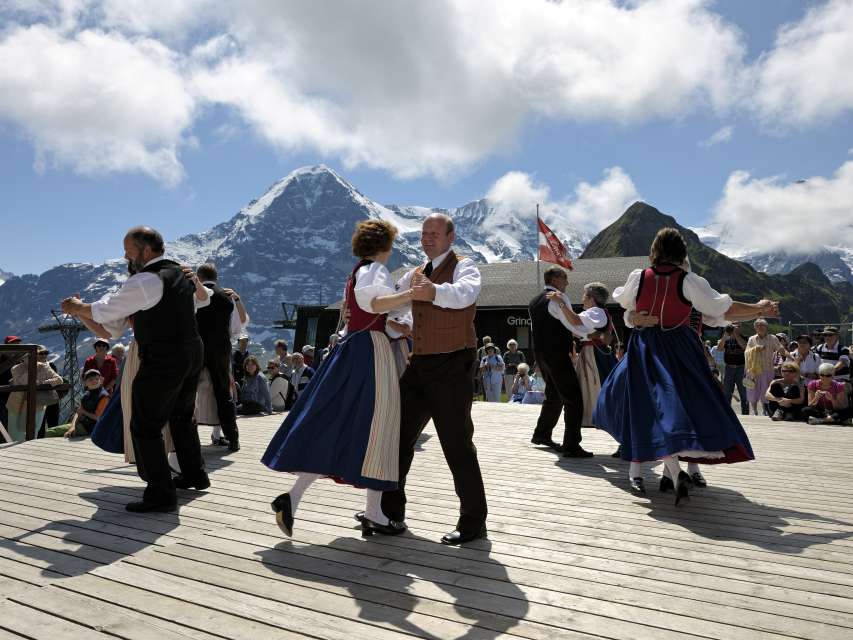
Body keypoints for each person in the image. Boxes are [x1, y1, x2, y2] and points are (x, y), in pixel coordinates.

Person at [594, 227, 778, 503]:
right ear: (681, 253)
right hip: (678, 349)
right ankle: (674, 468)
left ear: (654, 251)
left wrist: (635, 319)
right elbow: (723, 309)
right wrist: (758, 308)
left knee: (644, 404)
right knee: (687, 402)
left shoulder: (639, 277)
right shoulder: (688, 281)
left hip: (644, 348)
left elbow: (626, 308)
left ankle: (661, 469)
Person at [263, 219, 413, 537]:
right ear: (385, 245)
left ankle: (295, 498)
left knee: (340, 424)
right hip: (370, 353)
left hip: (355, 349)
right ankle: (374, 513)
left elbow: (369, 311)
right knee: (379, 427)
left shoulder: (359, 271)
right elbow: (375, 303)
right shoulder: (376, 270)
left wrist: (394, 318)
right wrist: (411, 295)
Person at [61, 225, 209, 512]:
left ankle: (161, 493)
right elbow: (111, 330)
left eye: (129, 251)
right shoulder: (179, 273)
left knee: (145, 424)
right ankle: (195, 474)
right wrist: (80, 312)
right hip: (191, 353)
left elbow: (107, 310)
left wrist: (79, 306)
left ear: (146, 250)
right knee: (181, 416)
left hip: (163, 357)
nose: (126, 257)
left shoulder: (145, 280)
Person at [378, 212, 488, 545]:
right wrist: (378, 314)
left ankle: (473, 522)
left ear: (450, 237)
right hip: (420, 364)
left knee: (456, 443)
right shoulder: (413, 274)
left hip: (454, 364)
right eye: (424, 233)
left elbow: (465, 294)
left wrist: (433, 291)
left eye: (434, 234)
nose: (427, 239)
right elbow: (393, 305)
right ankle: (389, 513)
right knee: (396, 436)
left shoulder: (465, 266)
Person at [528, 266, 590, 457]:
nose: (567, 282)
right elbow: (571, 323)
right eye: (565, 278)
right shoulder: (559, 298)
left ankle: (541, 434)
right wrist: (591, 335)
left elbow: (536, 329)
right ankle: (571, 445)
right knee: (574, 398)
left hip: (541, 353)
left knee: (553, 394)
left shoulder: (534, 301)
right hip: (557, 353)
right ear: (554, 279)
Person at [549, 282, 617, 428]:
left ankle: (596, 418)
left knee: (594, 384)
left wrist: (560, 303)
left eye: (584, 296)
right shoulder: (597, 313)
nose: (582, 299)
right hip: (593, 352)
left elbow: (574, 320)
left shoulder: (596, 311)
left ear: (592, 298)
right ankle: (593, 417)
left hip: (595, 354)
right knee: (590, 385)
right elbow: (576, 327)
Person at [195, 263, 246, 452]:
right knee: (223, 394)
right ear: (216, 278)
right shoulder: (227, 297)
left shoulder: (194, 295)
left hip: (197, 349)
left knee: (188, 393)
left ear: (199, 277)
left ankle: (187, 439)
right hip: (220, 350)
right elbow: (237, 327)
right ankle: (233, 438)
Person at [4, 345, 64, 441]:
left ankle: (30, 448)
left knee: (34, 431)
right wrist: (32, 369)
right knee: (15, 433)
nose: (32, 357)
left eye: (35, 355)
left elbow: (59, 380)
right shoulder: (15, 368)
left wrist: (43, 383)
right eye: (28, 356)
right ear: (23, 358)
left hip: (37, 403)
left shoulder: (44, 367)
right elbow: (22, 382)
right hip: (17, 403)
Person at [46, 369, 109, 438]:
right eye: (91, 379)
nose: (94, 381)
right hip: (83, 425)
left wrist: (84, 412)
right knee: (50, 432)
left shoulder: (103, 397)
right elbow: (78, 412)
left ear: (101, 381)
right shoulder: (87, 395)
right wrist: (72, 427)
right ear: (85, 383)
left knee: (50, 432)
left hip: (92, 428)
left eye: (97, 379)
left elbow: (98, 418)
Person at [745, 319, 785, 416]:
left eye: (762, 325)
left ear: (766, 327)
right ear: (755, 328)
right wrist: (756, 349)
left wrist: (783, 351)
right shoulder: (751, 339)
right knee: (752, 391)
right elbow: (746, 352)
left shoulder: (772, 338)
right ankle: (754, 411)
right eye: (758, 325)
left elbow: (780, 349)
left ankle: (765, 411)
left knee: (766, 391)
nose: (760, 327)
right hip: (753, 370)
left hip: (767, 370)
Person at [719, 323, 749, 415]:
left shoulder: (745, 337)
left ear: (740, 328)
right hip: (729, 368)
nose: (734, 328)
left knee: (743, 393)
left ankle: (745, 414)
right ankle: (727, 414)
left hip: (741, 368)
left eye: (737, 326)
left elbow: (745, 347)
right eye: (733, 326)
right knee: (727, 392)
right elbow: (719, 348)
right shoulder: (726, 339)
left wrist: (736, 334)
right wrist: (725, 335)